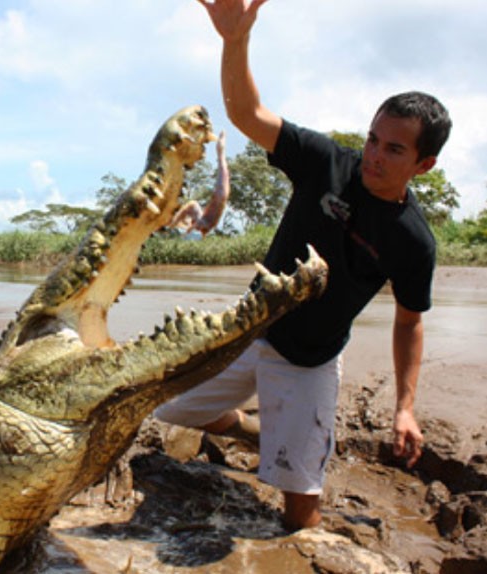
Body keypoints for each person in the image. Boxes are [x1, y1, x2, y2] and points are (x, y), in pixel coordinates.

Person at [155, 0, 452, 531]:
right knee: (163, 410)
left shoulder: (413, 240)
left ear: (423, 165)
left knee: (300, 515)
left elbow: (410, 322)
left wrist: (405, 407)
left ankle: (286, 442)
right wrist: (234, 41)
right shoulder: (326, 162)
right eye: (371, 139)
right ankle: (251, 430)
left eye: (393, 149)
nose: (374, 156)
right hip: (248, 330)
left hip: (310, 361)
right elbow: (248, 115)